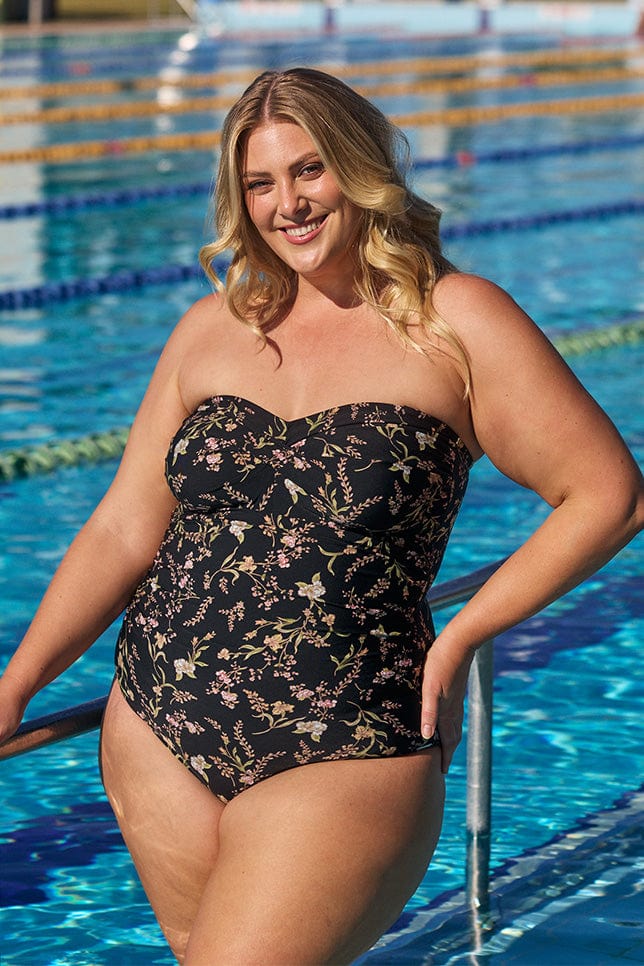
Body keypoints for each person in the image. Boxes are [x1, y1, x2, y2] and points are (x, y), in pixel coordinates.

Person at [0, 67, 642, 965]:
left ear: (359, 168)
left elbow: (609, 495)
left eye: (310, 171)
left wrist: (460, 640)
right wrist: (16, 685)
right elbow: (120, 529)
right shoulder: (210, 331)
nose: (287, 204)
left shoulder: (452, 323)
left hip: (345, 734)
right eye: (260, 183)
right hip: (156, 722)